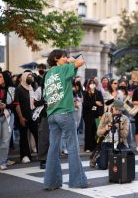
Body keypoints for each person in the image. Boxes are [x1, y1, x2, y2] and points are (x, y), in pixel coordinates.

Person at [43, 49, 88, 190]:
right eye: (64, 56)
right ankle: (78, 181)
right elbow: (81, 62)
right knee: (73, 147)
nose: (66, 58)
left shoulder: (48, 74)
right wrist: (70, 60)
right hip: (65, 112)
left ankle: (51, 182)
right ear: (56, 58)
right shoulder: (64, 68)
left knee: (53, 148)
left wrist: (66, 60)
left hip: (51, 113)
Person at [96, 100, 129, 169]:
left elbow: (125, 135)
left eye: (120, 110)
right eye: (116, 109)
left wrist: (119, 127)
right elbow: (98, 133)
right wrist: (106, 128)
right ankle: (99, 157)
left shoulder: (125, 118)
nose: (118, 112)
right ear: (112, 107)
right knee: (103, 166)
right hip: (107, 142)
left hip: (120, 143)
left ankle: (110, 158)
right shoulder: (106, 116)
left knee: (124, 162)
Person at [14, 72, 38, 163]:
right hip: (24, 117)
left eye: (31, 76)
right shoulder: (19, 89)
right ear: (24, 78)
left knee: (37, 135)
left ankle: (41, 154)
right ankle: (25, 156)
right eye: (28, 76)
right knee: (24, 137)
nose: (30, 78)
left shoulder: (33, 88)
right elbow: (17, 104)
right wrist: (20, 117)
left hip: (34, 117)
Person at [82, 78, 104, 153]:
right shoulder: (85, 93)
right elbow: (85, 104)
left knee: (96, 131)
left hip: (96, 114)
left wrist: (100, 114)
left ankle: (95, 146)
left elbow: (101, 104)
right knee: (88, 131)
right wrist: (95, 103)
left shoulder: (98, 93)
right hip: (88, 115)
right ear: (88, 85)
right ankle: (87, 147)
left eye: (93, 83)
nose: (92, 85)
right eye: (91, 83)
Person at [0, 71, 15, 170]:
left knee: (5, 141)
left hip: (8, 116)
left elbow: (16, 104)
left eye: (0, 77)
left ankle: (2, 162)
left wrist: (6, 105)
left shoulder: (12, 89)